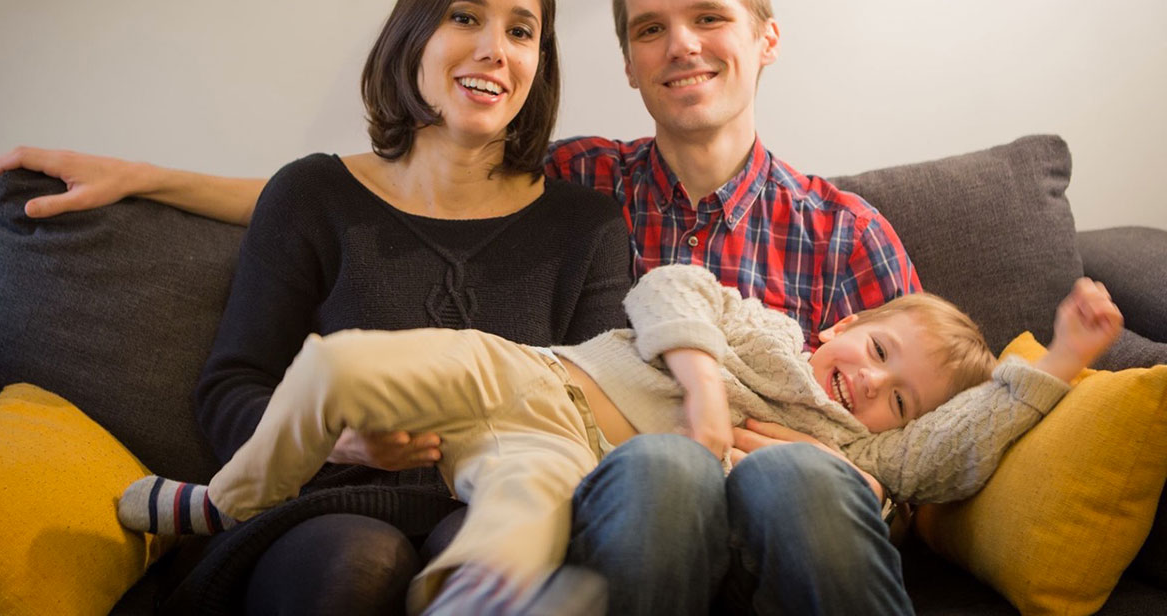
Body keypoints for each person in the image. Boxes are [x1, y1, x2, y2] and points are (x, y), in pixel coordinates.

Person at [0, 0, 927, 614]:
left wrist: (848, 466)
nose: (681, 46)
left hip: (741, 513)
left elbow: (930, 444)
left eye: (710, 19)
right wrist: (149, 179)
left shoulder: (839, 233)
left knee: (782, 479)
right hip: (577, 500)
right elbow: (388, 189)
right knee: (647, 478)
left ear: (764, 39)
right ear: (629, 63)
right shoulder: (582, 185)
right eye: (649, 30)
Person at [10, 0, 634, 614]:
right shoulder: (312, 196)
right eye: (464, 17)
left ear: (537, 66)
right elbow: (230, 388)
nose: (494, 48)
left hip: (498, 499)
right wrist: (331, 440)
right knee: (358, 560)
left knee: (487, 566)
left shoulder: (587, 227)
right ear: (412, 37)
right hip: (325, 505)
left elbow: (605, 413)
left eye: (522, 31)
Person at [113, 264, 1122, 615]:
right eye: (878, 348)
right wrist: (699, 381)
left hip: (559, 453)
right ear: (841, 324)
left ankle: (471, 593)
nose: (869, 382)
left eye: (896, 399)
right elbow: (667, 285)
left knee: (514, 517)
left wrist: (1064, 361)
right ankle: (226, 496)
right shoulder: (765, 329)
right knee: (335, 364)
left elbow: (949, 451)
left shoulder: (856, 455)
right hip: (530, 372)